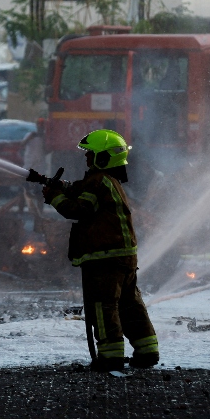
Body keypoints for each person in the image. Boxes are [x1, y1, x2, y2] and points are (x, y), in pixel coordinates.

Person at [43, 130, 159, 371]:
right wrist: (65, 187)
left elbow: (79, 210)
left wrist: (54, 196)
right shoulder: (109, 182)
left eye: (90, 155)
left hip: (104, 259)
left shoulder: (98, 182)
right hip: (123, 257)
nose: (86, 159)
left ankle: (110, 357)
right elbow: (83, 193)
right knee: (130, 305)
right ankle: (147, 351)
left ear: (104, 158)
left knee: (103, 307)